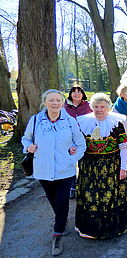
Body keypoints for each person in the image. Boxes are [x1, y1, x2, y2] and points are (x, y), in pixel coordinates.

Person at [22, 89, 86, 256]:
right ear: (45, 102)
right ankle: (62, 222)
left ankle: (57, 235)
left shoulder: (70, 121)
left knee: (62, 201)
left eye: (58, 100)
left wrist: (72, 159)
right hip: (43, 170)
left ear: (62, 102)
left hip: (65, 171)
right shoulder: (35, 120)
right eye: (51, 100)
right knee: (54, 200)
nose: (55, 103)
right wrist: (28, 147)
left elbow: (81, 144)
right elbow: (26, 138)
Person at [75, 93, 127, 239]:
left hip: (112, 166)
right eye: (96, 106)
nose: (99, 110)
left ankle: (113, 228)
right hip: (90, 167)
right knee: (91, 197)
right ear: (91, 107)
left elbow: (124, 146)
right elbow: (78, 143)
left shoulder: (116, 123)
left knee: (111, 197)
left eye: (102, 107)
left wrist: (123, 168)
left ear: (108, 108)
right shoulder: (83, 122)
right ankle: (90, 229)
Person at [64, 85, 92, 199]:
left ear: (82, 94)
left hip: (84, 139)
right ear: (70, 94)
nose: (76, 94)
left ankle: (83, 185)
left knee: (83, 163)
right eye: (74, 92)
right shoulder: (64, 106)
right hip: (68, 139)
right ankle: (72, 187)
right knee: (70, 163)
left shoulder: (88, 106)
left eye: (79, 92)